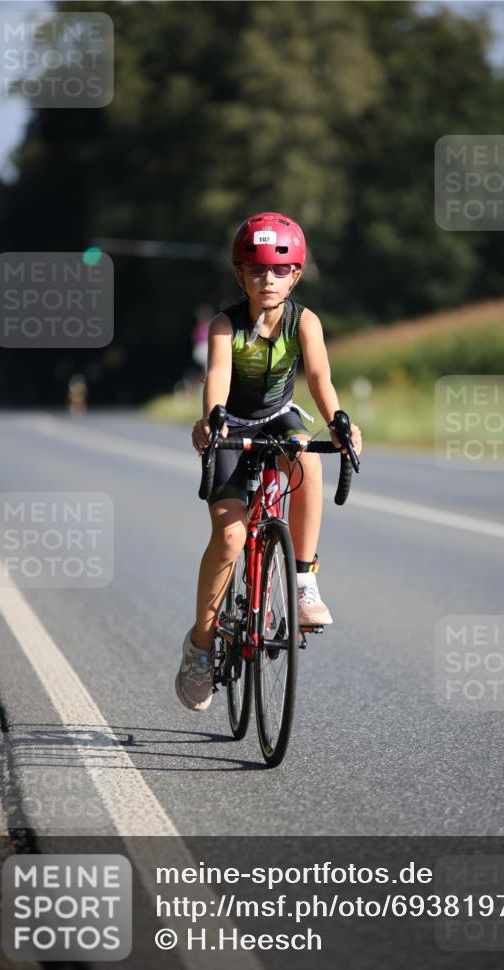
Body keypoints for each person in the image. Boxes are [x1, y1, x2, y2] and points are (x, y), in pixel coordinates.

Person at [176, 212, 362, 712]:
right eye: (256, 270)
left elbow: (320, 377)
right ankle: (201, 643)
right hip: (231, 425)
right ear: (241, 274)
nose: (268, 279)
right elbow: (217, 375)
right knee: (232, 536)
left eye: (280, 271)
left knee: (309, 460)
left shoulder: (306, 322)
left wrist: (339, 420)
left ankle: (303, 581)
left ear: (296, 274)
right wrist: (213, 418)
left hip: (279, 416)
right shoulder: (225, 324)